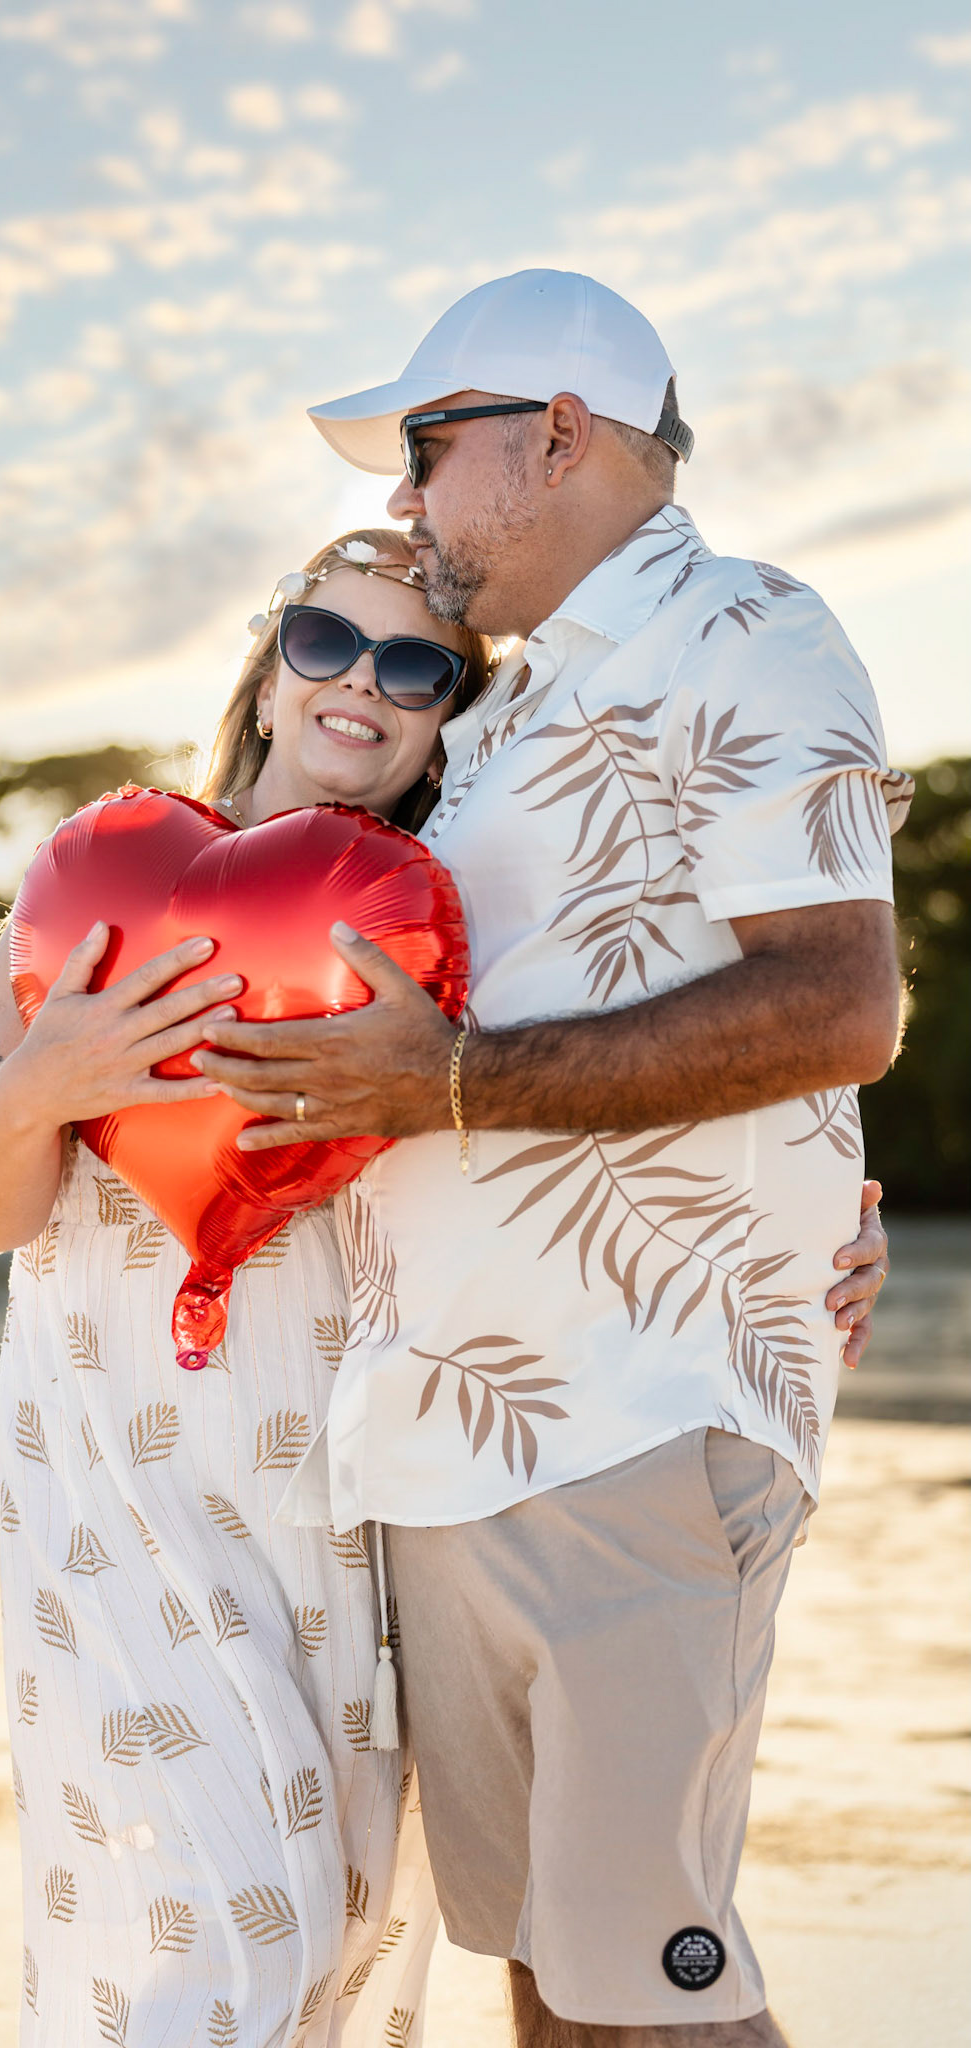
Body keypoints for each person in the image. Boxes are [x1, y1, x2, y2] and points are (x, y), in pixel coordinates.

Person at [193, 270, 910, 2047]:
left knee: (645, 1990)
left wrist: (447, 1085)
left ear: (557, 440)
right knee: (543, 1982)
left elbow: (837, 1002)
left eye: (431, 451)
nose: (408, 502)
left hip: (638, 1413)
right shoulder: (494, 714)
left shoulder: (744, 632)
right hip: (441, 1436)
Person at [0, 531, 489, 2047]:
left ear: (449, 712)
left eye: (415, 665)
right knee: (214, 1902)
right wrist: (41, 1080)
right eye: (328, 639)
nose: (361, 685)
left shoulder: (443, 912)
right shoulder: (93, 878)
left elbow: (593, 1119)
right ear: (268, 656)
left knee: (342, 1903)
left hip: (342, 1470)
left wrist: (815, 1223)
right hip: (114, 1456)